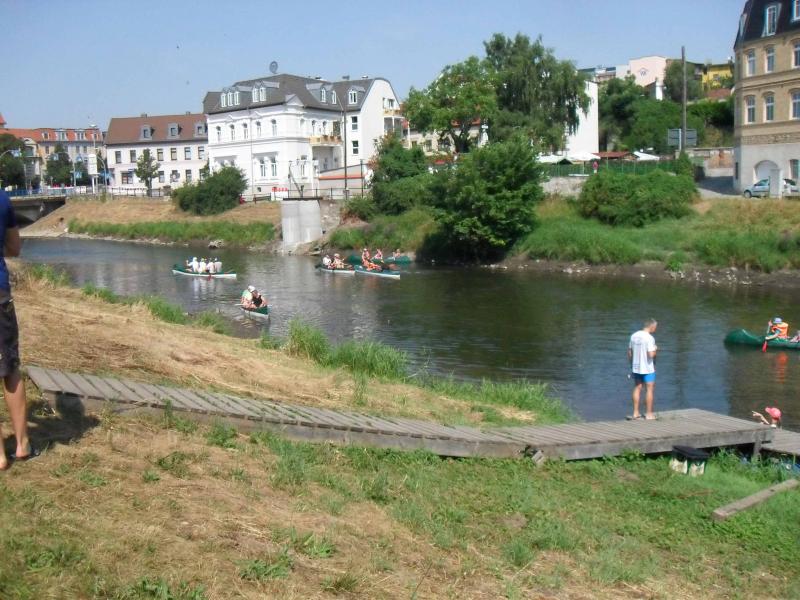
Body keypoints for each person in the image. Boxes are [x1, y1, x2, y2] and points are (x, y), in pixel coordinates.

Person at [0, 189, 32, 471]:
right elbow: (14, 248)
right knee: (10, 368)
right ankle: (22, 444)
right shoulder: (2, 199)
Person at [627, 318, 658, 421]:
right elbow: (651, 354)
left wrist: (632, 365)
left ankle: (635, 413)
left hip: (636, 367)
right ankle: (649, 414)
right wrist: (656, 350)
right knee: (649, 389)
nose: (655, 329)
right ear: (652, 326)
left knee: (637, 387)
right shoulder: (649, 338)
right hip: (647, 368)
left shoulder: (634, 335)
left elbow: (630, 353)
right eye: (655, 327)